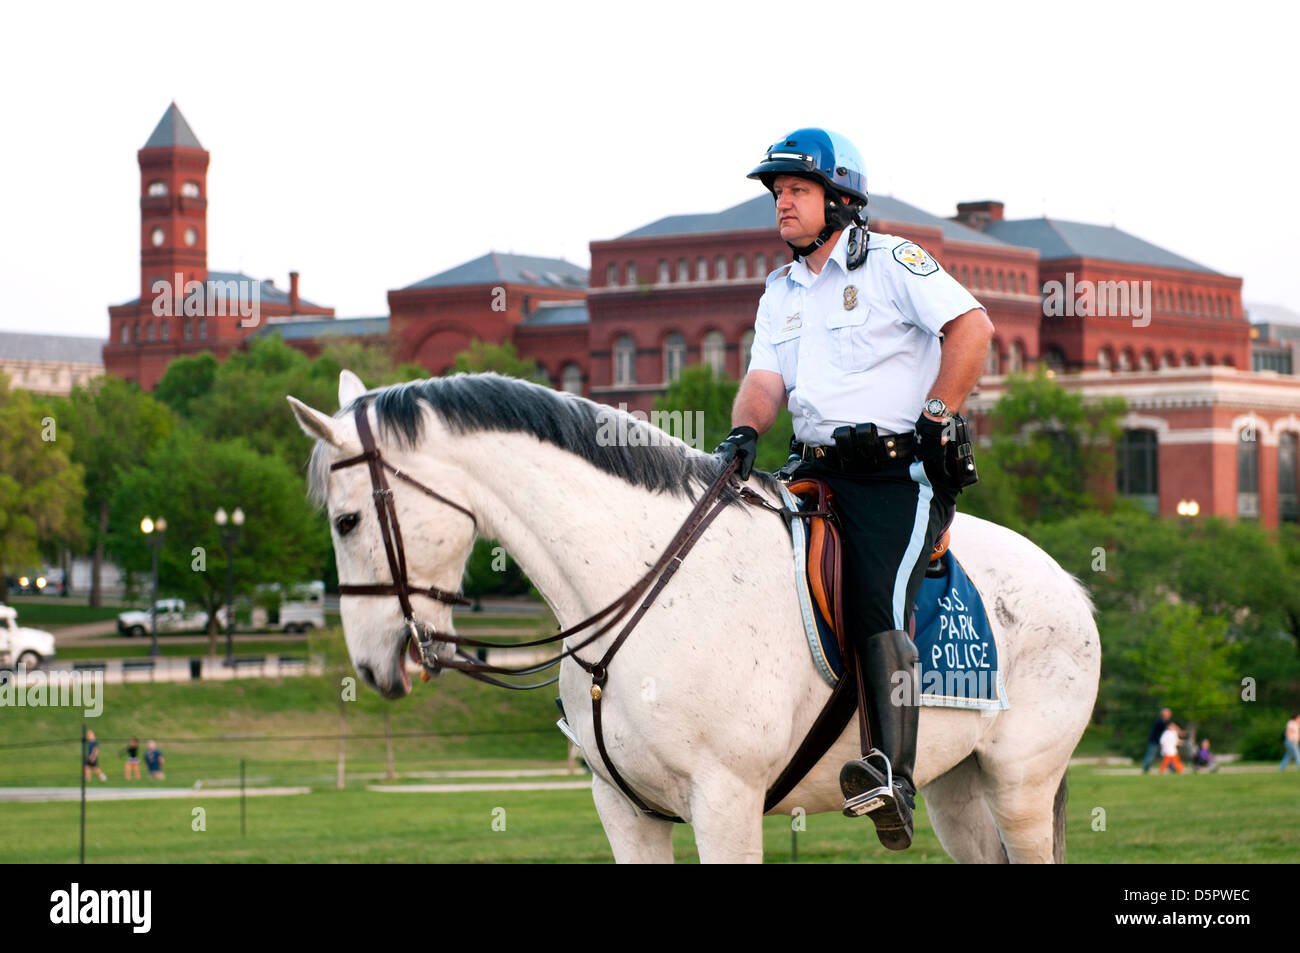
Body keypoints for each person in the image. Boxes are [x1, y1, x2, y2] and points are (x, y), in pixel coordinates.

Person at [714, 128, 993, 850]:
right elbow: (764, 378)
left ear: (841, 199)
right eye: (777, 194)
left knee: (874, 593)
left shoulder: (894, 262)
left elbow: (972, 325)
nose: (782, 205)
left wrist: (940, 411)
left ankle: (890, 775)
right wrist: (745, 431)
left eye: (796, 191)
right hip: (812, 469)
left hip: (897, 476)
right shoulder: (780, 291)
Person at [1142, 707, 1173, 774]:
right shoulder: (1160, 721)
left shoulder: (1167, 721)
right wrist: (1180, 732)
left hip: (1162, 742)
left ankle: (1172, 768)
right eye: (1168, 714)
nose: (1170, 715)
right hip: (1154, 741)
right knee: (1151, 755)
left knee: (1167, 754)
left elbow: (1171, 726)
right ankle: (1146, 768)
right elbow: (1170, 727)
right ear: (1164, 715)